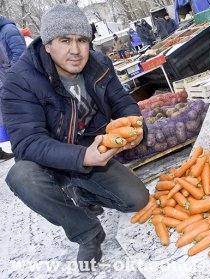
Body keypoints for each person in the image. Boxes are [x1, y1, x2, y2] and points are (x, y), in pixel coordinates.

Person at [1, 3, 149, 271]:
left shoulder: (99, 63)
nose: (75, 50)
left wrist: (137, 128)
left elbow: (123, 104)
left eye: (82, 40)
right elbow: (27, 143)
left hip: (88, 148)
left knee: (137, 200)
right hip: (48, 157)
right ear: (47, 44)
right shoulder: (19, 80)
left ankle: (83, 190)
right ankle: (87, 232)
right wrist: (83, 157)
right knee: (21, 177)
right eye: (65, 40)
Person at [0, 15, 26, 160]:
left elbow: (21, 56)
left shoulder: (8, 30)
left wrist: (11, 79)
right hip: (4, 85)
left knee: (22, 120)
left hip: (16, 84)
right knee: (11, 123)